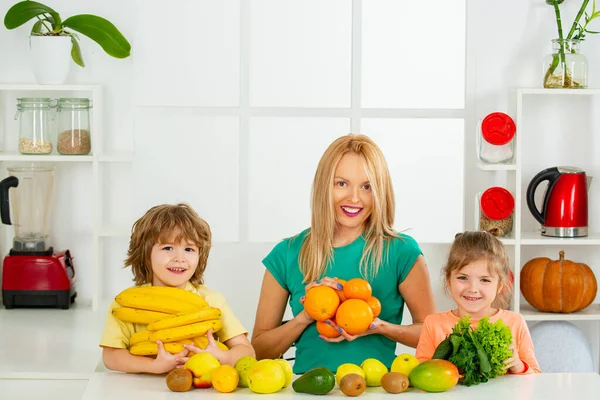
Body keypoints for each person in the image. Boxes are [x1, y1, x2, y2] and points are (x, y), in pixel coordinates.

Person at [251, 133, 436, 374]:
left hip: (376, 390)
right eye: (341, 183)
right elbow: (259, 350)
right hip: (309, 389)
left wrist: (379, 327)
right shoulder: (286, 254)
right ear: (323, 186)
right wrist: (305, 316)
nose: (355, 198)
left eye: (367, 186)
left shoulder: (402, 251)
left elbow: (432, 335)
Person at [100, 203, 255, 374]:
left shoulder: (211, 301)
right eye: (168, 248)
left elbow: (247, 351)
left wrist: (223, 357)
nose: (179, 258)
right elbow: (111, 356)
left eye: (189, 249)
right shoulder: (126, 304)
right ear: (145, 253)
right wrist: (153, 366)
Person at [415, 231, 541, 374]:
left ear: (500, 285)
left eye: (485, 280)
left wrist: (519, 366)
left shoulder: (515, 322)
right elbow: (421, 375)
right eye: (463, 278)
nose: (473, 289)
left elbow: (536, 377)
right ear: (448, 280)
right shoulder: (433, 324)